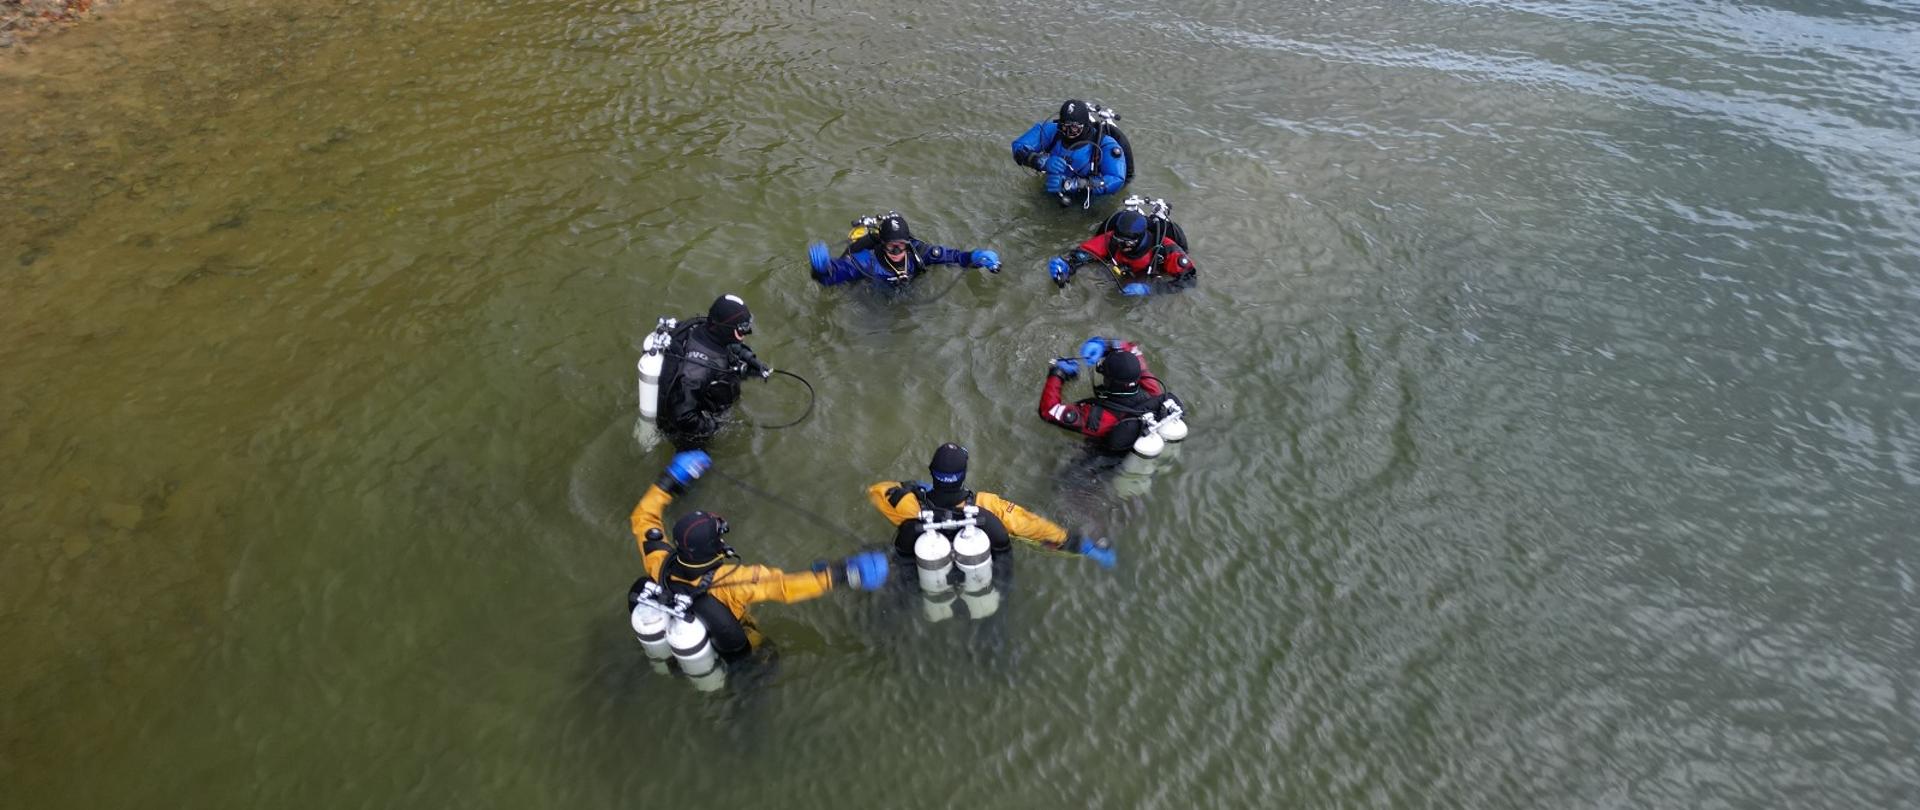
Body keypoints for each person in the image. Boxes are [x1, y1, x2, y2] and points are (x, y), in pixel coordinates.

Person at [627, 450, 890, 660]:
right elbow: (786, 588)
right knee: (769, 656)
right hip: (731, 636)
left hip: (683, 625)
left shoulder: (658, 559)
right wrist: (846, 572)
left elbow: (643, 517)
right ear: (712, 547)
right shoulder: (736, 580)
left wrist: (669, 480)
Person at [865, 443, 1115, 567]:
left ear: (932, 471)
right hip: (976, 563)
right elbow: (1032, 526)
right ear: (964, 474)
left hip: (927, 560)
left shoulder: (906, 506)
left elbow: (877, 491)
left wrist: (912, 487)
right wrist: (1076, 543)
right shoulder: (989, 504)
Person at [656, 294, 771, 447]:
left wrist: (750, 359)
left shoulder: (708, 329)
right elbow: (682, 416)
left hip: (710, 396)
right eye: (742, 330)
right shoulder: (696, 373)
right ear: (726, 329)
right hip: (689, 430)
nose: (745, 334)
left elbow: (731, 344)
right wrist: (714, 427)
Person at [1039, 337, 1185, 454]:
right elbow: (1133, 350)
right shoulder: (1153, 391)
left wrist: (1058, 374)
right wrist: (1107, 345)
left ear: (1108, 380)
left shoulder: (1097, 417)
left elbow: (1048, 411)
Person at [806, 211, 1000, 288]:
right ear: (882, 244)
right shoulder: (868, 261)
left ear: (908, 244)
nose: (897, 251)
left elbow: (954, 257)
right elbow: (835, 275)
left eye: (901, 246)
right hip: (875, 296)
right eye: (892, 246)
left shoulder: (919, 253)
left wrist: (976, 257)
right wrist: (822, 269)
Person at [1046, 205, 1196, 296]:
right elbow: (1083, 254)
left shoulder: (1165, 249)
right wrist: (1066, 265)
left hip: (1152, 275)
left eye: (1127, 242)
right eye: (1118, 240)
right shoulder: (1111, 240)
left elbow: (1189, 280)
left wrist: (1150, 289)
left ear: (1141, 238)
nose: (1122, 246)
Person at [1010, 99, 1132, 206]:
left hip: (1090, 197)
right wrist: (1041, 161)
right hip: (1053, 186)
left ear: (1085, 126)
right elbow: (1019, 147)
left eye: (1074, 128)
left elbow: (1116, 179)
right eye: (1065, 127)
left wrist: (1072, 184)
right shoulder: (1053, 131)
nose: (1068, 132)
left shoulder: (1105, 144)